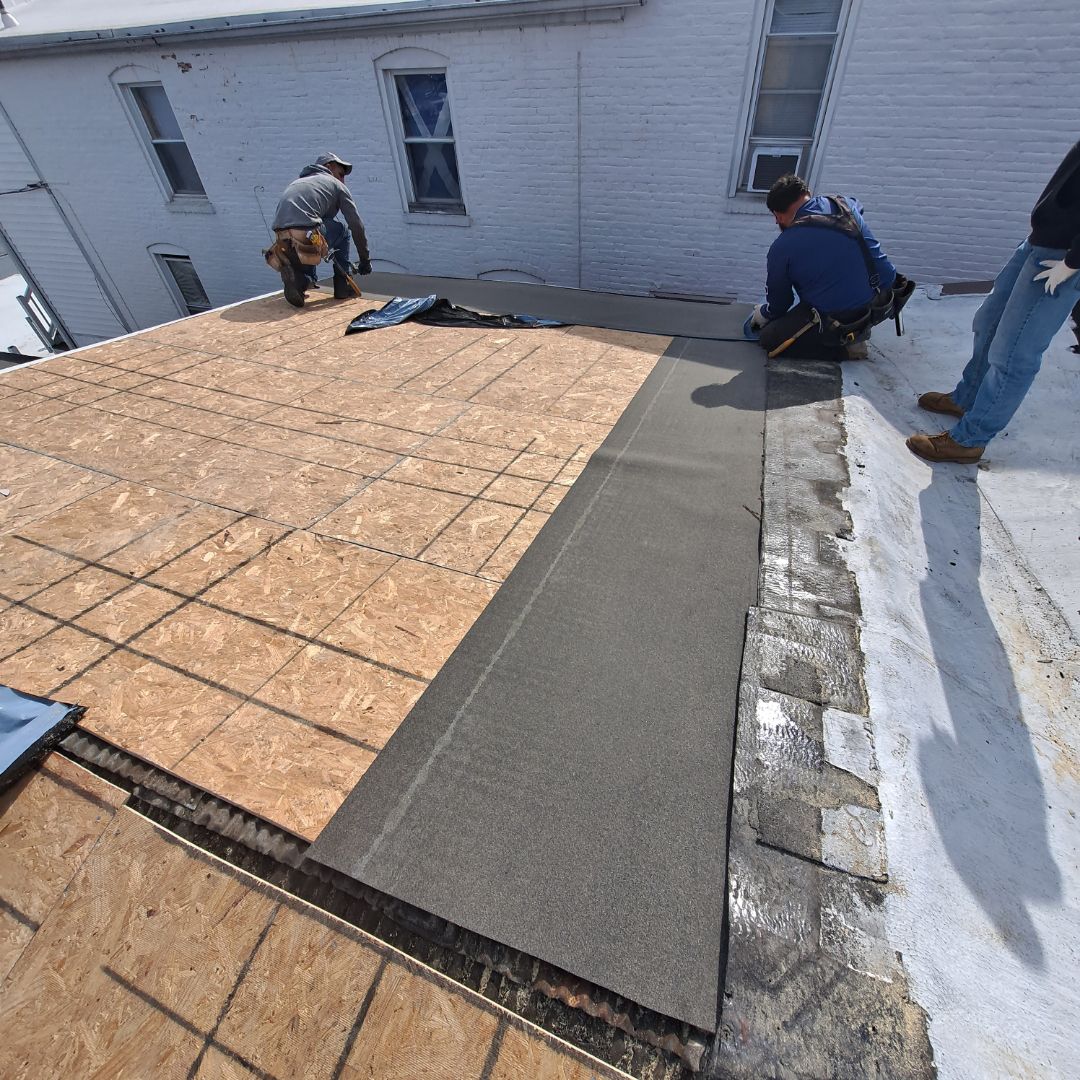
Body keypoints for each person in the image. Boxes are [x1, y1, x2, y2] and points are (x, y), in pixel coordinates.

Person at [909, 141, 1080, 463]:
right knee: (987, 323)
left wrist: (1074, 261)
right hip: (1039, 242)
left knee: (1015, 353)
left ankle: (970, 439)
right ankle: (968, 397)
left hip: (1062, 258)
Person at [746, 174, 912, 361]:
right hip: (887, 296)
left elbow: (780, 304)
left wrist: (764, 313)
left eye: (776, 217)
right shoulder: (844, 204)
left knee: (770, 339)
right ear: (807, 193)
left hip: (847, 316)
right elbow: (859, 207)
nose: (777, 223)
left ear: (778, 215)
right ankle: (855, 327)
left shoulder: (783, 247)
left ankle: (849, 348)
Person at [269, 152, 372, 307]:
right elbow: (356, 225)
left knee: (313, 232)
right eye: (341, 174)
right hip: (307, 234)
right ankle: (343, 285)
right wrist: (365, 260)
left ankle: (302, 280)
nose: (343, 180)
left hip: (281, 239)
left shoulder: (298, 183)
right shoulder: (336, 185)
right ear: (328, 167)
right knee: (342, 231)